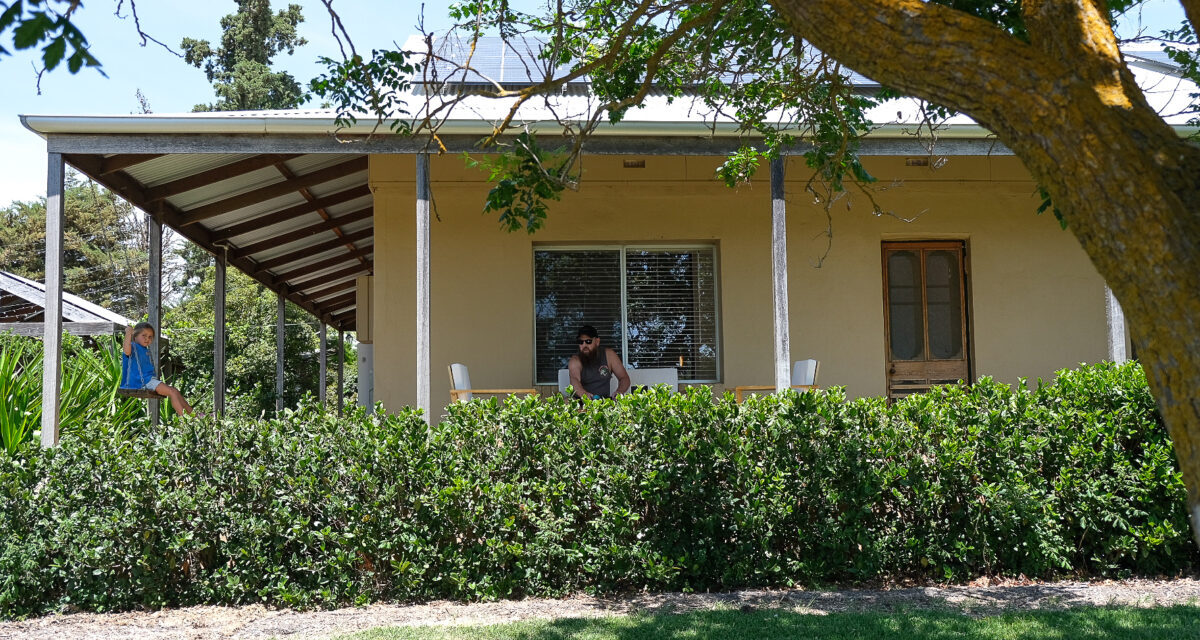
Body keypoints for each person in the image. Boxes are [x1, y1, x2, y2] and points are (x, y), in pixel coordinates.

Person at [122, 322, 194, 416]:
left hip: (149, 380)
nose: (147, 339)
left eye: (150, 337)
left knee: (175, 391)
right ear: (135, 336)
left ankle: (193, 415)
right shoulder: (133, 346)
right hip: (141, 382)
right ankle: (185, 418)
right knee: (172, 392)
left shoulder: (145, 350)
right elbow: (126, 351)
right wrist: (128, 334)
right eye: (144, 335)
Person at [567, 324, 630, 400]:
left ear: (597, 341)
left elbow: (624, 378)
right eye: (580, 342)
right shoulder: (575, 360)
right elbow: (574, 380)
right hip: (581, 401)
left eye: (588, 341)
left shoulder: (609, 355)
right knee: (566, 401)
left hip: (604, 402)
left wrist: (619, 392)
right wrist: (584, 395)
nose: (584, 345)